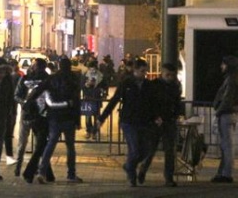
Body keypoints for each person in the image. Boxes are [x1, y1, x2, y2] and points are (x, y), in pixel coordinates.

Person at [97, 58, 162, 187]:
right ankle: (131, 174)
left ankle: (129, 166)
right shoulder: (126, 83)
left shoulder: (148, 85)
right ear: (135, 70)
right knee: (135, 149)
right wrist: (102, 118)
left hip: (144, 121)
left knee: (145, 150)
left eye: (145, 71)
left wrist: (156, 116)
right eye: (142, 71)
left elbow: (152, 103)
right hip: (129, 121)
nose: (145, 74)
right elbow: (114, 100)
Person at [27, 57, 83, 184]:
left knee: (50, 144)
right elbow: (76, 101)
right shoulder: (73, 79)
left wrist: (29, 101)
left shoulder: (52, 78)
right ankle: (71, 174)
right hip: (69, 116)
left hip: (54, 116)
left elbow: (38, 89)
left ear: (59, 66)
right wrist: (78, 119)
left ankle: (42, 171)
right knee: (70, 147)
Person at [140, 63, 182, 187]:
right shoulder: (154, 85)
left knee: (170, 150)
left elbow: (177, 103)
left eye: (172, 75)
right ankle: (143, 169)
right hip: (156, 122)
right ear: (162, 73)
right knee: (151, 149)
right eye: (167, 74)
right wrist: (154, 117)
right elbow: (148, 104)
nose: (170, 77)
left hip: (169, 121)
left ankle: (168, 177)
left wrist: (175, 115)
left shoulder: (175, 86)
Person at [13, 58, 48, 177]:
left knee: (38, 143)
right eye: (33, 66)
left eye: (35, 66)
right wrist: (24, 102)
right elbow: (17, 95)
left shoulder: (46, 79)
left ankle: (37, 167)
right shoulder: (25, 78)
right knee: (23, 141)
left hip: (40, 114)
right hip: (28, 112)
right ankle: (18, 166)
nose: (33, 67)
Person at [211, 55, 238, 183]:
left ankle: (226, 174)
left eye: (223, 64)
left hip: (226, 114)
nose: (221, 66)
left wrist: (218, 111)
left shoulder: (231, 80)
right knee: (227, 145)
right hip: (229, 114)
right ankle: (223, 172)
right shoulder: (232, 78)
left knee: (227, 145)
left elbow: (227, 99)